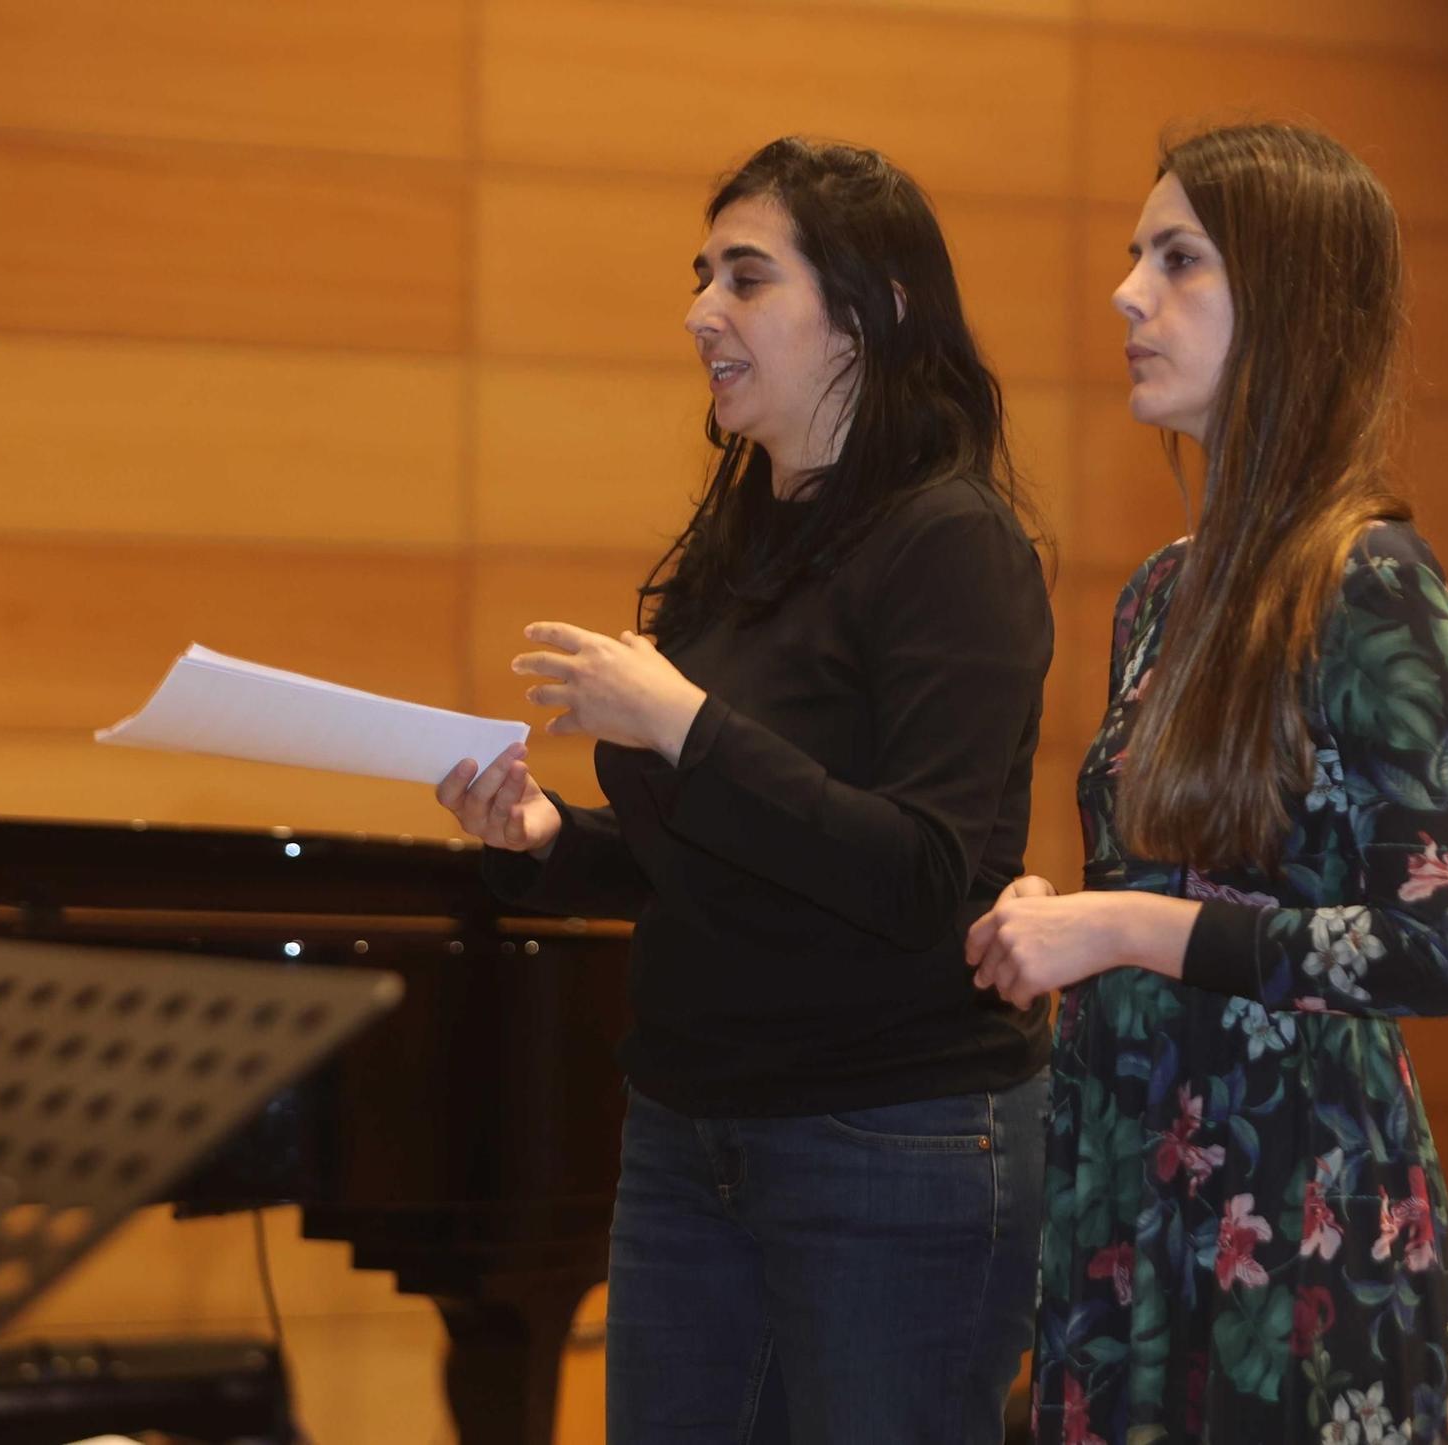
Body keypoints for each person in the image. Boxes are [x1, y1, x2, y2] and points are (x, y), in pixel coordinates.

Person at [436, 137, 1053, 1445]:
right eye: (701, 274)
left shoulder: (955, 542)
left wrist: (689, 725)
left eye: (747, 277)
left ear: (869, 313)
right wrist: (549, 836)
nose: (699, 310)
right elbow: (716, 849)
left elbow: (924, 871)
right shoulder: (741, 543)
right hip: (687, 1128)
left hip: (888, 1142)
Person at [967, 123, 1448, 1444]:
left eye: (1179, 260)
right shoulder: (1159, 590)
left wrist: (1124, 924)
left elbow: (1434, 944)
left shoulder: (1371, 578)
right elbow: (1177, 872)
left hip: (1295, 1199)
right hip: (1133, 1178)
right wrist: (1070, 921)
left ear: (1293, 302)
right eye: (1136, 254)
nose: (1127, 292)